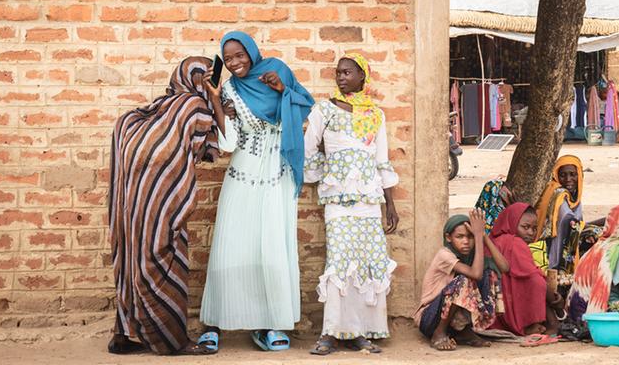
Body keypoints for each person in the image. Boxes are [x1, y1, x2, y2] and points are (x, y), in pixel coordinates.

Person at [198, 31, 314, 352]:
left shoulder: (276, 69)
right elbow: (230, 142)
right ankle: (214, 322)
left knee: (272, 247)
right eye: (229, 57)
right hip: (243, 172)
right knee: (230, 243)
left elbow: (306, 105)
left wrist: (282, 89)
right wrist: (216, 99)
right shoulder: (231, 88)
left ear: (251, 52)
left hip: (278, 173)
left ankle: (269, 324)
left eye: (240, 55)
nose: (235, 63)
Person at [108, 57, 225, 356]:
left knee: (130, 259)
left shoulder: (150, 111)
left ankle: (123, 332)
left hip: (129, 205)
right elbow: (209, 151)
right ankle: (171, 340)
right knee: (163, 259)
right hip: (164, 204)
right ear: (201, 80)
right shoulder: (193, 107)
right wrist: (213, 101)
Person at [302, 54, 401, 355]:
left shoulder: (375, 115)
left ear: (362, 76)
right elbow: (309, 150)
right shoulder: (324, 110)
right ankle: (332, 333)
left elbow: (381, 160)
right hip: (338, 198)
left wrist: (390, 204)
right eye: (338, 73)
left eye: (348, 72)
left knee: (369, 261)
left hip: (369, 200)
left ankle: (361, 332)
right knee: (340, 260)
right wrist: (328, 171)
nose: (341, 77)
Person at [416, 212, 508, 351]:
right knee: (463, 281)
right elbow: (475, 274)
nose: (466, 241)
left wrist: (483, 236)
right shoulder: (444, 255)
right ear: (448, 237)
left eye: (470, 236)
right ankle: (439, 333)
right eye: (460, 237)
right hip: (430, 319)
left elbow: (504, 267)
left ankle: (463, 331)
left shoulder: (472, 256)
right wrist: (477, 237)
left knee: (489, 274)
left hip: (451, 320)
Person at [489, 203, 563, 341]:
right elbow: (535, 279)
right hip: (505, 306)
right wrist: (555, 302)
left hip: (497, 309)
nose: (530, 233)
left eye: (534, 228)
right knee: (538, 282)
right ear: (511, 223)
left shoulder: (496, 240)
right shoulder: (514, 243)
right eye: (525, 227)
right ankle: (536, 323)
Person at [534, 155, 584, 273]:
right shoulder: (558, 193)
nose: (568, 179)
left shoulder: (574, 198)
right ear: (556, 175)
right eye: (563, 175)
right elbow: (569, 221)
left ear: (580, 175)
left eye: (573, 174)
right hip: (551, 249)